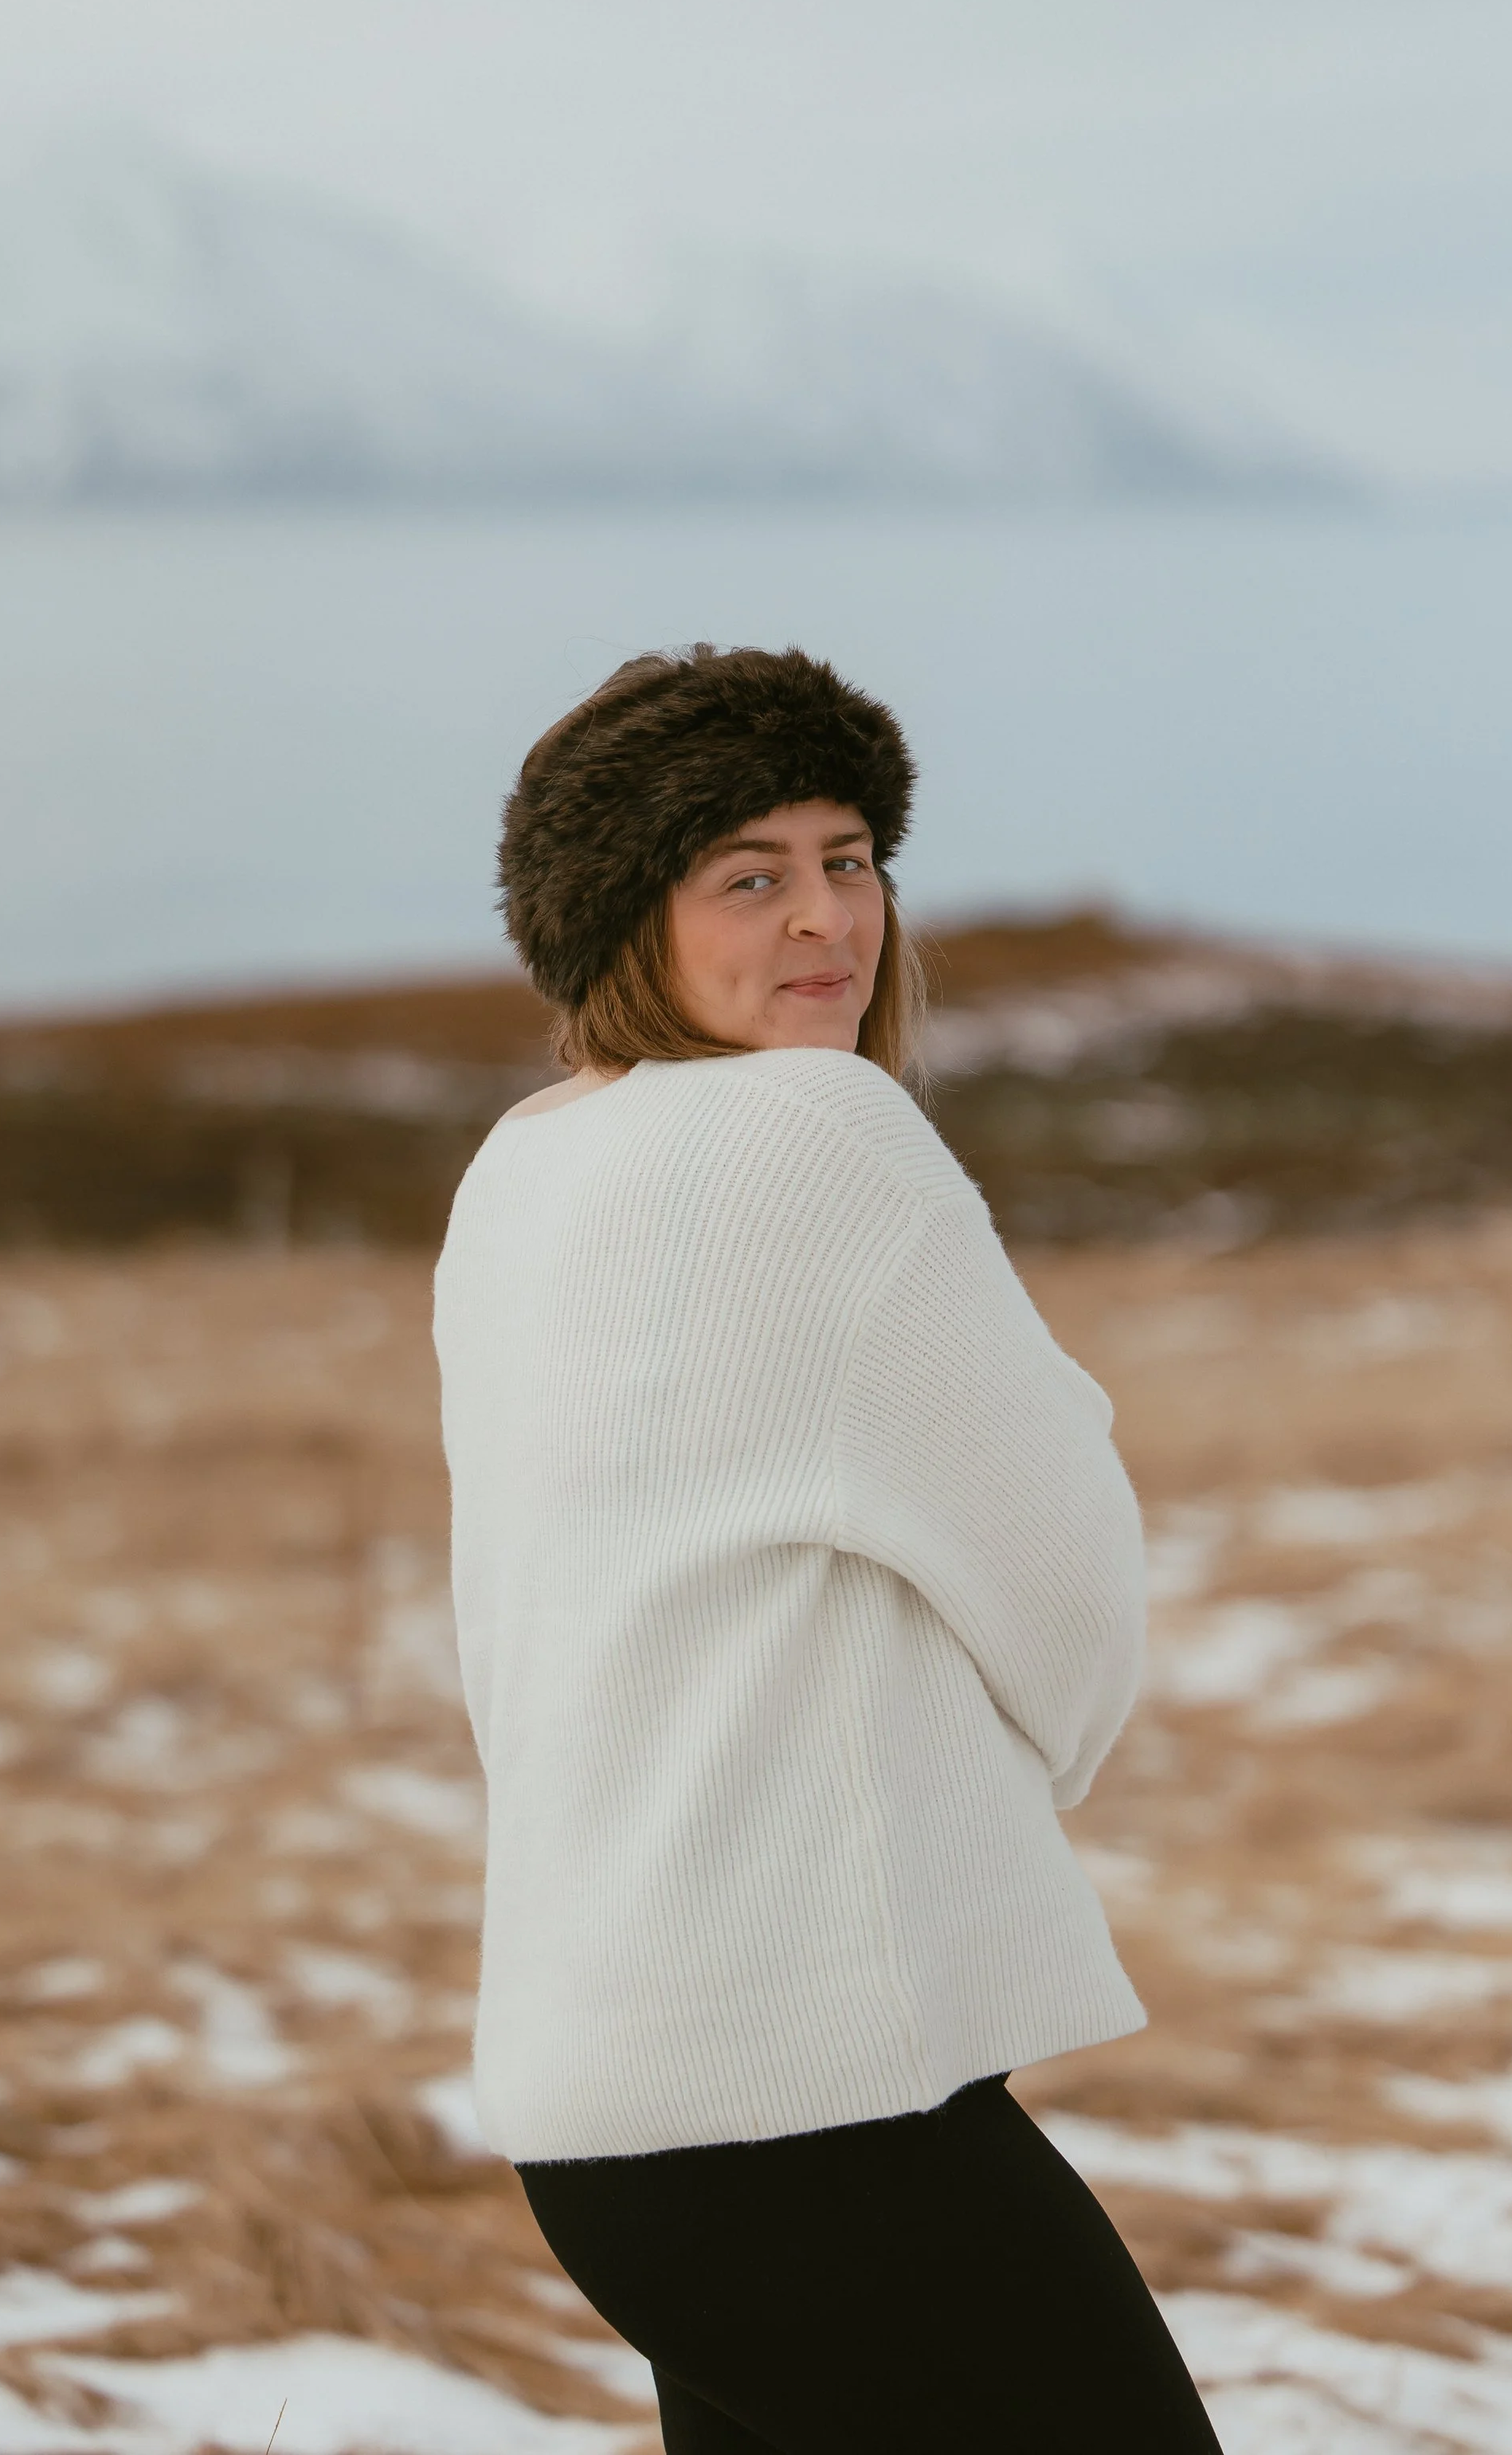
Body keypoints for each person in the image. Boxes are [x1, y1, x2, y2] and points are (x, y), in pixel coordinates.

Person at [433, 644, 1222, 2453]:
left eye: (848, 857)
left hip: (604, 2124)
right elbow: (1065, 1566)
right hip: (812, 2106)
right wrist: (1018, 1771)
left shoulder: (520, 1169)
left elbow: (511, 1638)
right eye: (747, 874)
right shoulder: (822, 1136)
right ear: (631, 916)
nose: (823, 921)